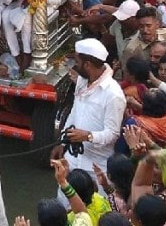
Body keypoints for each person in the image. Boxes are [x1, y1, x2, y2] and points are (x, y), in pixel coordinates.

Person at [51, 38, 126, 208]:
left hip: (96, 167)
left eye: (77, 62)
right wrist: (62, 141)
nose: (74, 65)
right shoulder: (82, 82)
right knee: (64, 206)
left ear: (87, 65)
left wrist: (88, 136)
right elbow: (74, 112)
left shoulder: (113, 94)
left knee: (95, 211)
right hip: (72, 159)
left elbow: (112, 133)